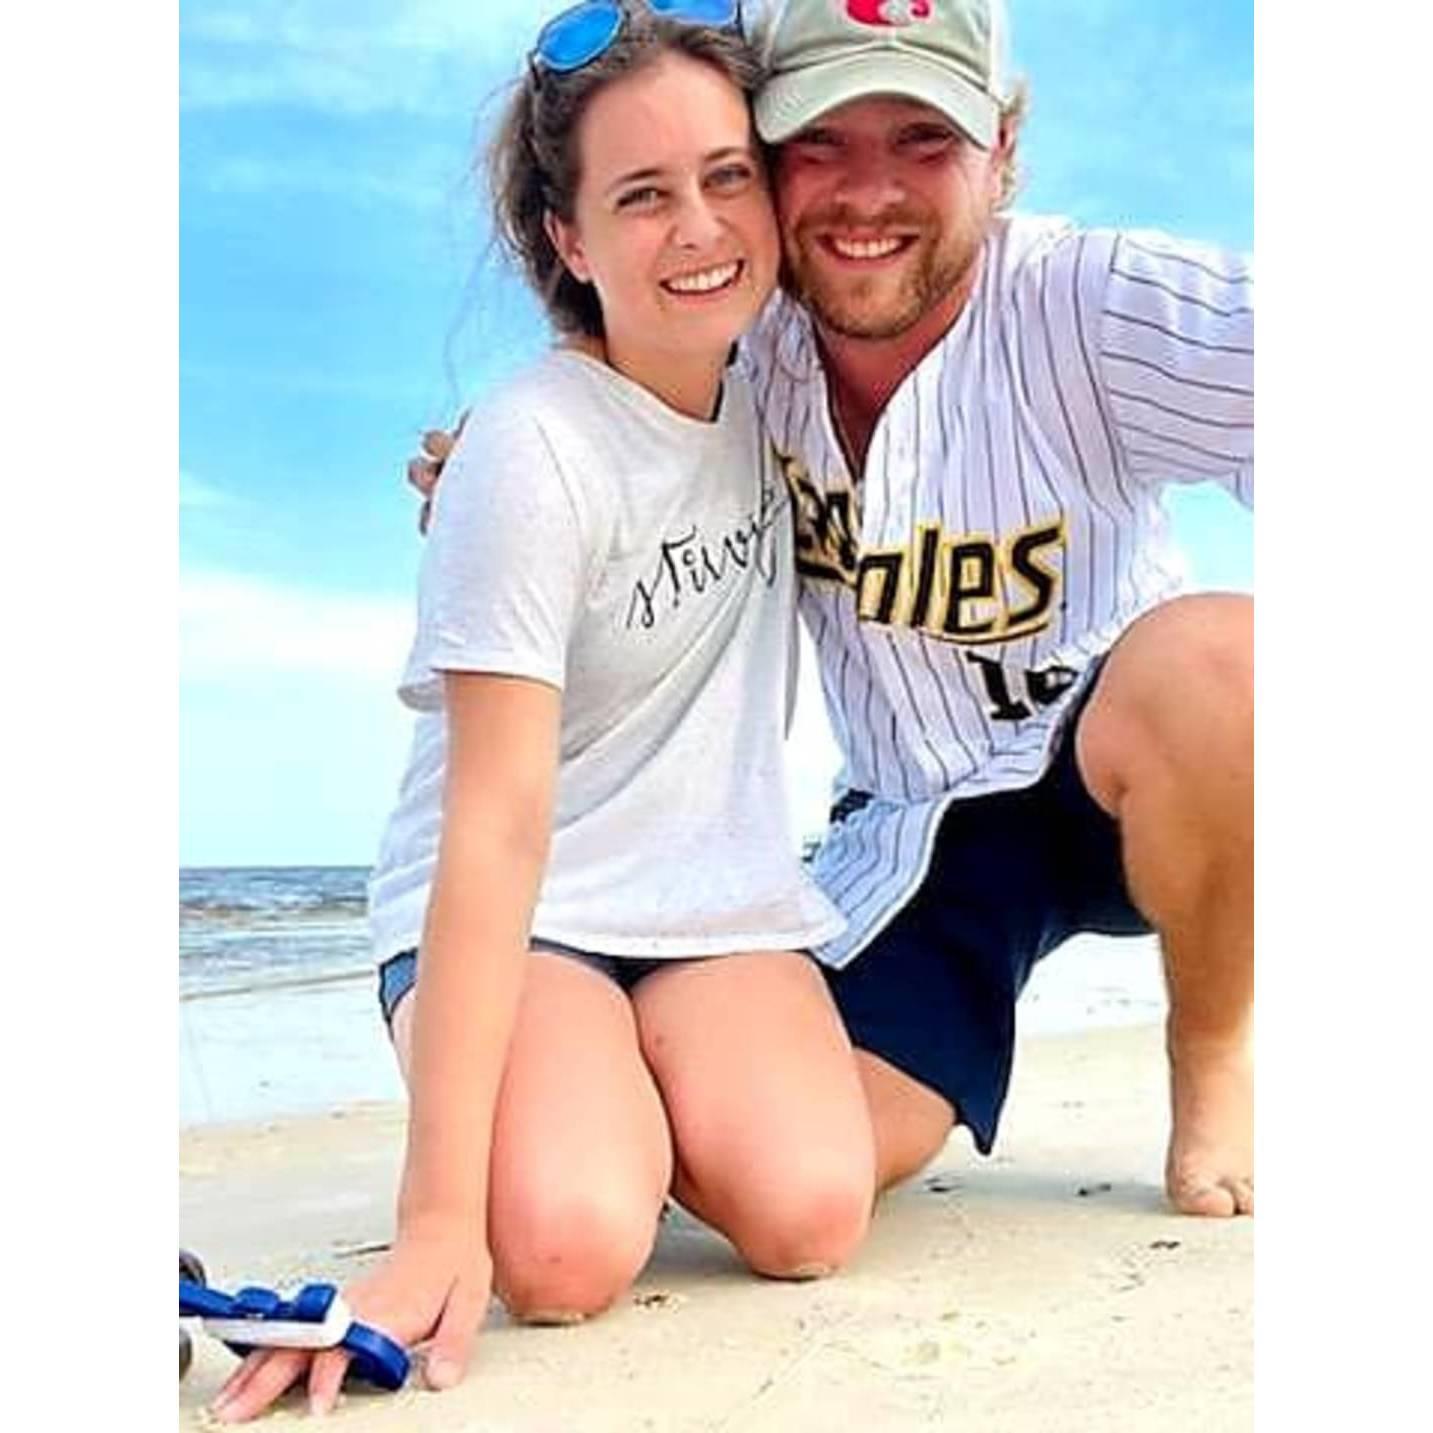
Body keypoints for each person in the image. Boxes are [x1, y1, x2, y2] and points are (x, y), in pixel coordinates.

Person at [414, 0, 1255, 1222]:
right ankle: (588, 1052)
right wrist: (491, 470)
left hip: (1125, 765)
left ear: (1002, 150)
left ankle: (1215, 1049)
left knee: (1229, 663)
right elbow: (602, 432)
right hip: (913, 824)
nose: (867, 193)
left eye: (923, 138)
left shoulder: (1091, 301)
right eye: (820, 144)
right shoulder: (740, 342)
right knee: (783, 1187)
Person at [211, 3, 876, 1422]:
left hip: (710, 904)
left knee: (812, 1216)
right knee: (567, 1250)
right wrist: (438, 1218)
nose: (697, 226)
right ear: (570, 242)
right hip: (532, 909)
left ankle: (650, 1094)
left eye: (724, 176)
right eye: (641, 195)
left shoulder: (779, 384)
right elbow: (497, 820)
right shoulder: (530, 452)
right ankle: (564, 1113)